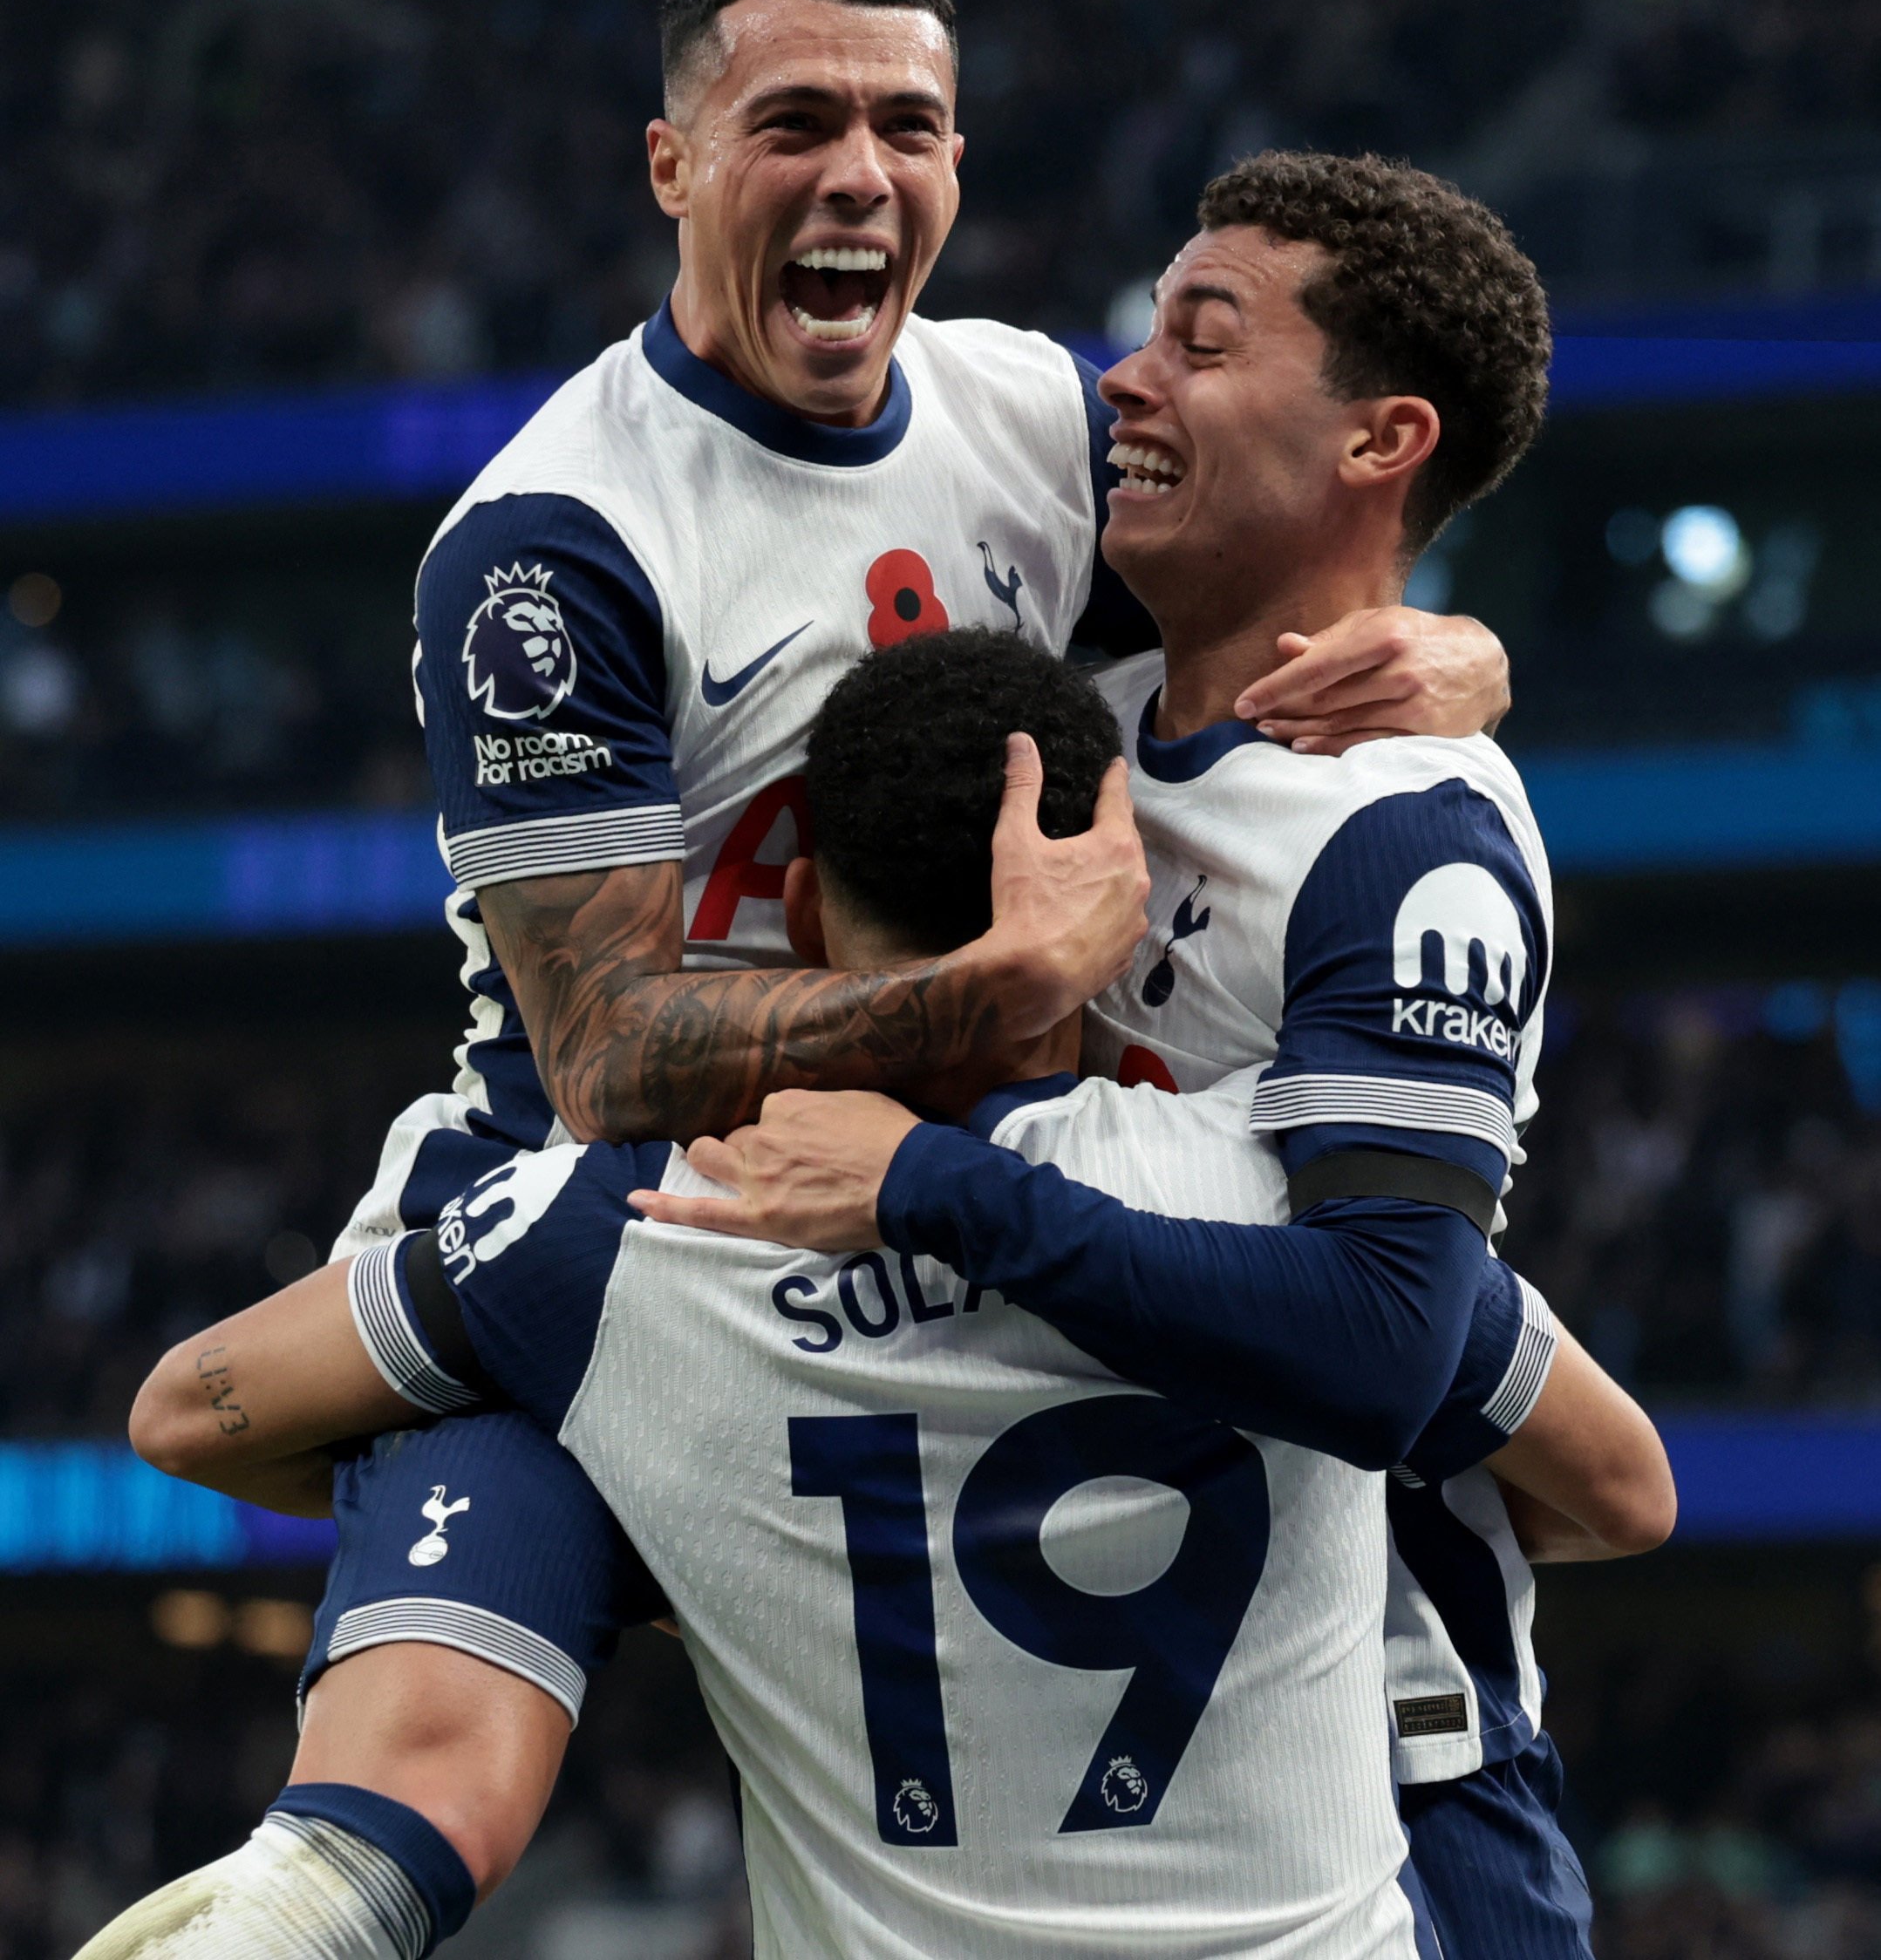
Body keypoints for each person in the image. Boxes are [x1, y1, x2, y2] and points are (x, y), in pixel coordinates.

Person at [256, 0, 1511, 1913]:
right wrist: (1000, 984)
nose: (858, 172)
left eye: (906, 128)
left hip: (980, 1169)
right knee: (393, 1805)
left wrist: (1445, 651)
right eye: (795, 123)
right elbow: (610, 1054)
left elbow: (1266, 585)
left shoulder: (1024, 415)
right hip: (661, 1222)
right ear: (671, 165)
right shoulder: (551, 544)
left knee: (1528, 1430)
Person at [113, 631, 1611, 1960]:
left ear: (809, 918)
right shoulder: (1283, 1202)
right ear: (1114, 897)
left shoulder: (627, 1227)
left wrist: (664, 1524)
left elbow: (193, 1414)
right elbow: (1621, 1493)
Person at [635, 152, 1678, 1957]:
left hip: (1382, 1791)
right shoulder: (1061, 729)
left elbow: (1378, 1350)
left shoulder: (1399, 833)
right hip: (1059, 1757)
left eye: (1199, 342)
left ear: (1379, 441)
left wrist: (925, 1186)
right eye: (1140, 335)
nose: (1121, 380)